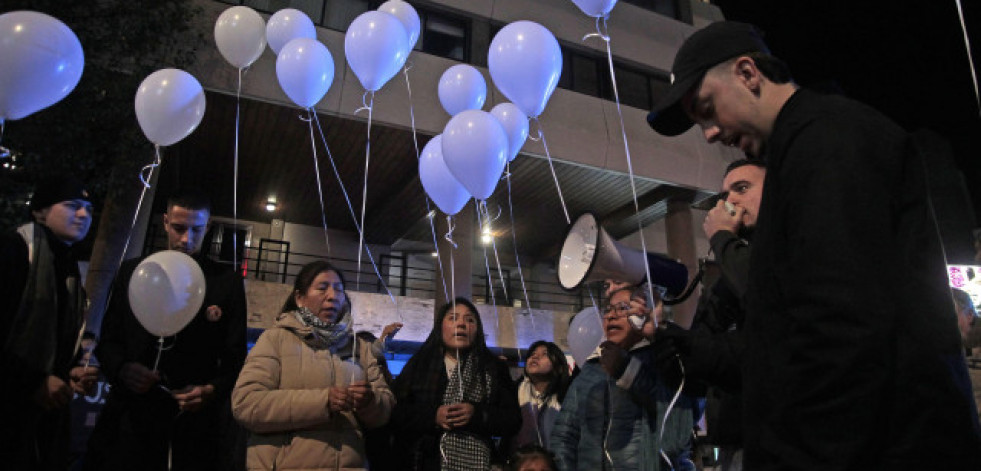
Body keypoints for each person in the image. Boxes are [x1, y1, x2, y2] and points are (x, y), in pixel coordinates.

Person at [647, 20, 981, 468]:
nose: (709, 134)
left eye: (707, 109)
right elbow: (783, 336)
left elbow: (842, 328)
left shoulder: (827, 141)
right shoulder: (802, 150)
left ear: (748, 73)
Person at [87, 191, 247, 471]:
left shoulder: (227, 283)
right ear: (165, 222)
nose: (187, 239)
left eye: (197, 230)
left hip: (191, 424)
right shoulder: (134, 271)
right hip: (130, 418)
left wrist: (210, 390)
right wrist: (123, 368)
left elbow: (234, 356)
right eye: (179, 228)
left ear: (208, 226)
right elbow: (109, 339)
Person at [652, 158, 764, 471]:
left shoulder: (783, 250)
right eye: (726, 195)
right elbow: (701, 362)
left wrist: (722, 237)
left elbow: (763, 295)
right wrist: (667, 338)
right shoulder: (729, 269)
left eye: (742, 188)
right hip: (735, 437)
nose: (731, 202)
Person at [231, 260, 393, 470]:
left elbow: (385, 410)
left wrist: (370, 402)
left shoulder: (359, 348)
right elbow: (246, 404)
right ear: (299, 298)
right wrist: (323, 401)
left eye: (339, 289)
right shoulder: (275, 340)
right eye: (322, 288)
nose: (332, 296)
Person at [0, 174, 99, 470]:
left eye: (89, 209)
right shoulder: (14, 251)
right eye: (72, 205)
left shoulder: (68, 266)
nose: (83, 214)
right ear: (40, 211)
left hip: (42, 423)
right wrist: (34, 382)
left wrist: (70, 371)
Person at [551, 286, 697, 471]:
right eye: (608, 310)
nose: (611, 316)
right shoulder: (590, 370)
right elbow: (564, 435)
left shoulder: (662, 360)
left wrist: (629, 372)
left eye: (622, 308)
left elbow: (679, 421)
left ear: (642, 314)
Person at [390, 297, 521, 470]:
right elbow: (396, 413)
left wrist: (477, 415)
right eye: (453, 318)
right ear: (440, 327)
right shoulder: (420, 364)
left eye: (470, 320)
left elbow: (512, 420)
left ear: (478, 329)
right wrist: (433, 416)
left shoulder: (492, 368)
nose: (461, 324)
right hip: (420, 461)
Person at [511, 340, 570, 451]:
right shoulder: (514, 392)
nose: (535, 357)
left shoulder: (568, 397)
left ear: (559, 367)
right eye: (532, 354)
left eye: (544, 354)